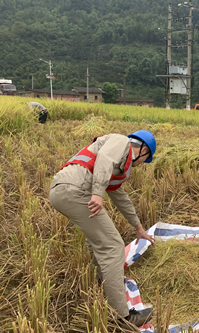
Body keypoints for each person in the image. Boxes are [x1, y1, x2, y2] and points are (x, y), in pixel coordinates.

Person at [49, 131, 157, 327]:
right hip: (75, 189)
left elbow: (120, 197)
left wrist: (138, 227)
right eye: (146, 160)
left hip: (63, 190)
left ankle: (103, 288)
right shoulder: (121, 141)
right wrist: (98, 193)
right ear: (143, 150)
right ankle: (123, 317)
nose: (142, 165)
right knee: (113, 247)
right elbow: (105, 159)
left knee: (98, 242)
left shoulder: (118, 165)